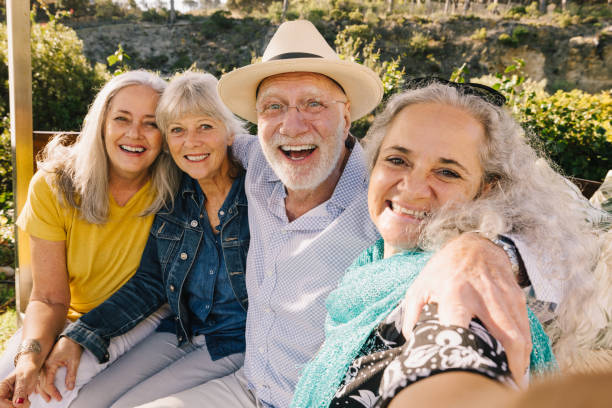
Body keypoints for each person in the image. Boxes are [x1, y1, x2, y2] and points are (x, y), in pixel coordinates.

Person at [135, 21, 576, 408]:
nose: (291, 126)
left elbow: (559, 230)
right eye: (273, 107)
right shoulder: (258, 162)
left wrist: (482, 250)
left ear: (347, 118)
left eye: (313, 104)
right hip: (247, 386)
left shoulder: (385, 188)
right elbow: (201, 141)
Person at [291, 79, 606, 407]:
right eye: (397, 160)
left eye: (447, 172)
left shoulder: (462, 290)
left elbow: (456, 361)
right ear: (374, 162)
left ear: (486, 190)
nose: (412, 188)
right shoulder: (370, 265)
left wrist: (485, 251)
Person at [37, 71, 250, 408]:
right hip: (180, 328)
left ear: (229, 132)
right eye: (177, 130)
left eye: (205, 126)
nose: (191, 142)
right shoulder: (178, 194)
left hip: (235, 340)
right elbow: (150, 282)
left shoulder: (258, 195)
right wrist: (78, 336)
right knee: (86, 403)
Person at [0, 70, 175, 407]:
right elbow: (49, 297)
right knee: (10, 385)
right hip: (68, 315)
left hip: (141, 316)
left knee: (43, 397)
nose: (135, 134)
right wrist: (29, 354)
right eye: (121, 118)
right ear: (101, 123)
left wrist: (76, 340)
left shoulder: (175, 186)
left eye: (151, 123)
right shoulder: (54, 184)